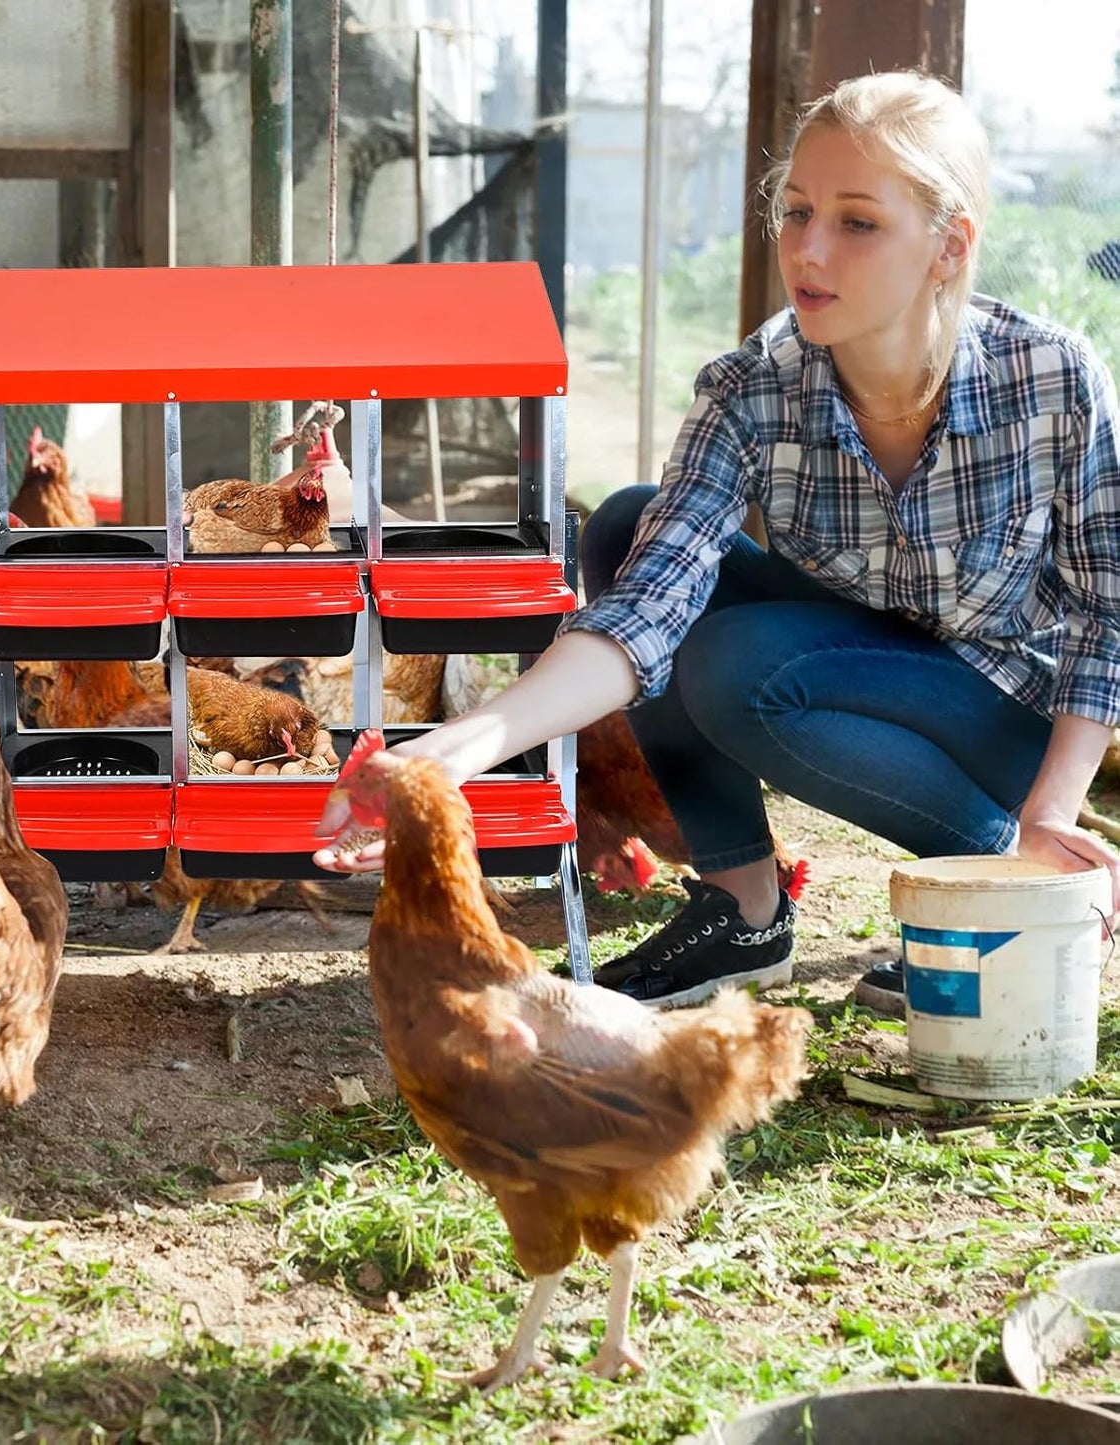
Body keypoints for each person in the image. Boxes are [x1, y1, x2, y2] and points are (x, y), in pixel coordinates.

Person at [314, 70, 1120, 1011]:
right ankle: (743, 910)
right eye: (796, 210)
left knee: (739, 661)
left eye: (857, 222)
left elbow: (1109, 611)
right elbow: (647, 608)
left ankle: (1004, 881)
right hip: (846, 655)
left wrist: (1050, 809)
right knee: (625, 524)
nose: (808, 249)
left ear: (949, 246)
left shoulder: (1048, 377)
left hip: (1002, 713)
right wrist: (443, 754)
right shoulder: (751, 387)